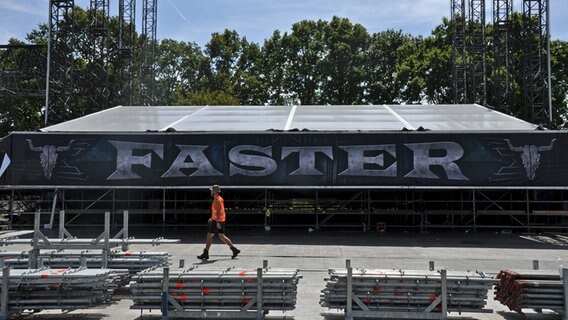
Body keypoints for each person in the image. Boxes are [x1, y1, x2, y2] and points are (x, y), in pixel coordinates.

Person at [197, 185, 241, 260]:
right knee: (221, 236)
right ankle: (234, 249)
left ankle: (206, 253)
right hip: (220, 220)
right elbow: (217, 211)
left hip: (217, 221)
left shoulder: (217, 200)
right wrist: (212, 218)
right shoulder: (219, 198)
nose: (210, 192)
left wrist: (216, 222)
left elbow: (217, 211)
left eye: (211, 191)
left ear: (214, 191)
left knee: (209, 235)